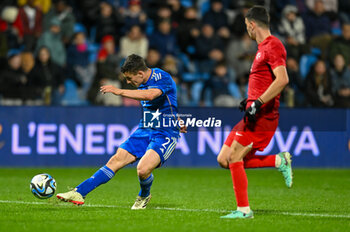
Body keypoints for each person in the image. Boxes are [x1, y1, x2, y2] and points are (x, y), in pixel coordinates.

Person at [57, 54, 186, 209]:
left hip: (165, 133)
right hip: (145, 128)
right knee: (116, 160)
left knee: (143, 170)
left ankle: (144, 195)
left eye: (130, 79)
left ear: (140, 73)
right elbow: (167, 103)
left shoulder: (161, 77)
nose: (128, 82)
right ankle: (79, 192)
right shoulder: (141, 82)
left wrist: (119, 91)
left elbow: (150, 95)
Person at [217, 6, 293, 219]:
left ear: (252, 24)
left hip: (262, 117)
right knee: (224, 159)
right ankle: (279, 161)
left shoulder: (273, 45)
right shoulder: (262, 48)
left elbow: (283, 79)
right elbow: (265, 81)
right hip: (252, 113)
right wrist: (250, 101)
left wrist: (258, 103)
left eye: (246, 26)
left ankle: (244, 210)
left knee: (234, 158)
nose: (247, 31)